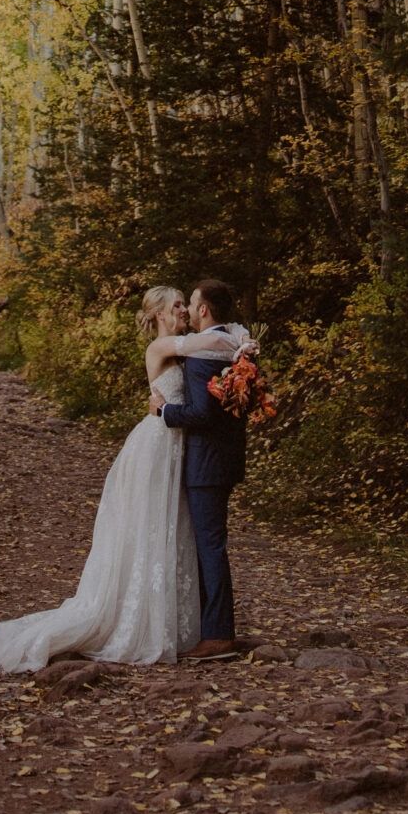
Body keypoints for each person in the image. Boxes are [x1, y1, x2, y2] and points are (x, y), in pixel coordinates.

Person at [0, 284, 250, 671]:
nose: (182, 311)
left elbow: (214, 346)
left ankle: (178, 621)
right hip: (157, 444)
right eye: (176, 306)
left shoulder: (191, 343)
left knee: (175, 529)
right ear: (158, 314)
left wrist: (240, 340)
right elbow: (214, 345)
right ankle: (138, 619)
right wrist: (241, 341)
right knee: (147, 528)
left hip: (180, 448)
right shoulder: (163, 348)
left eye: (185, 304)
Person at [155, 278, 248, 661]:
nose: (188, 310)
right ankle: (210, 627)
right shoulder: (235, 345)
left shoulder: (201, 356)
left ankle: (219, 634)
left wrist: (163, 411)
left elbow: (200, 413)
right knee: (210, 544)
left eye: (191, 304)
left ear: (204, 310)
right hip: (225, 458)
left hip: (206, 463)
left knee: (210, 546)